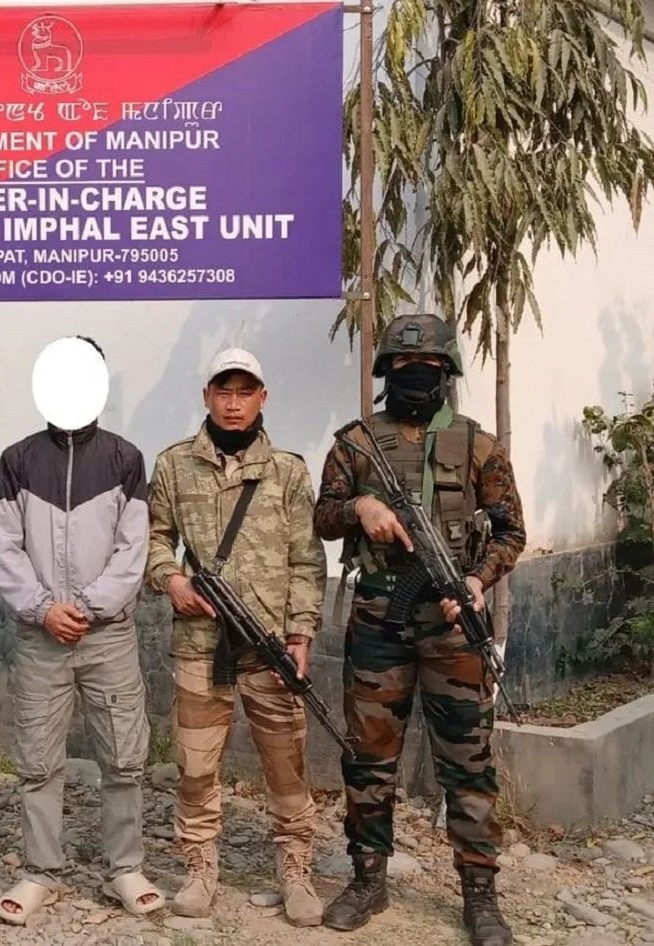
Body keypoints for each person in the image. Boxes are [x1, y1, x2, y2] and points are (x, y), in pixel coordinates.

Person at [313, 314, 526, 946]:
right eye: (405, 368)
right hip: (380, 618)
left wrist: (478, 580)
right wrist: (360, 506)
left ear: (446, 373)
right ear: (387, 372)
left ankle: (480, 894)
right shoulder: (355, 444)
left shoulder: (479, 445)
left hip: (455, 624)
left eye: (428, 369)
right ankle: (368, 879)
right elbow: (322, 517)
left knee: (467, 760)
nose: (416, 377)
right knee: (369, 757)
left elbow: (511, 532)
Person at [145, 347, 326, 926]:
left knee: (286, 764)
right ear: (207, 396)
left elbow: (306, 559)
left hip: (269, 646)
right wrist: (171, 578)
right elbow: (152, 538)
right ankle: (199, 867)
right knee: (196, 765)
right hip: (200, 645)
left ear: (262, 398)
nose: (232, 403)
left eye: (244, 392)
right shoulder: (174, 465)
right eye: (223, 391)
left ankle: (296, 868)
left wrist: (301, 633)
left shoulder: (288, 471)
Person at [0, 336, 164, 925]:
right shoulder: (17, 460)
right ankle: (40, 870)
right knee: (38, 757)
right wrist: (44, 609)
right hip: (41, 637)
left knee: (123, 754)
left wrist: (86, 606)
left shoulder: (125, 459)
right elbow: (6, 548)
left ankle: (125, 867)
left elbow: (132, 550)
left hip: (106, 635)